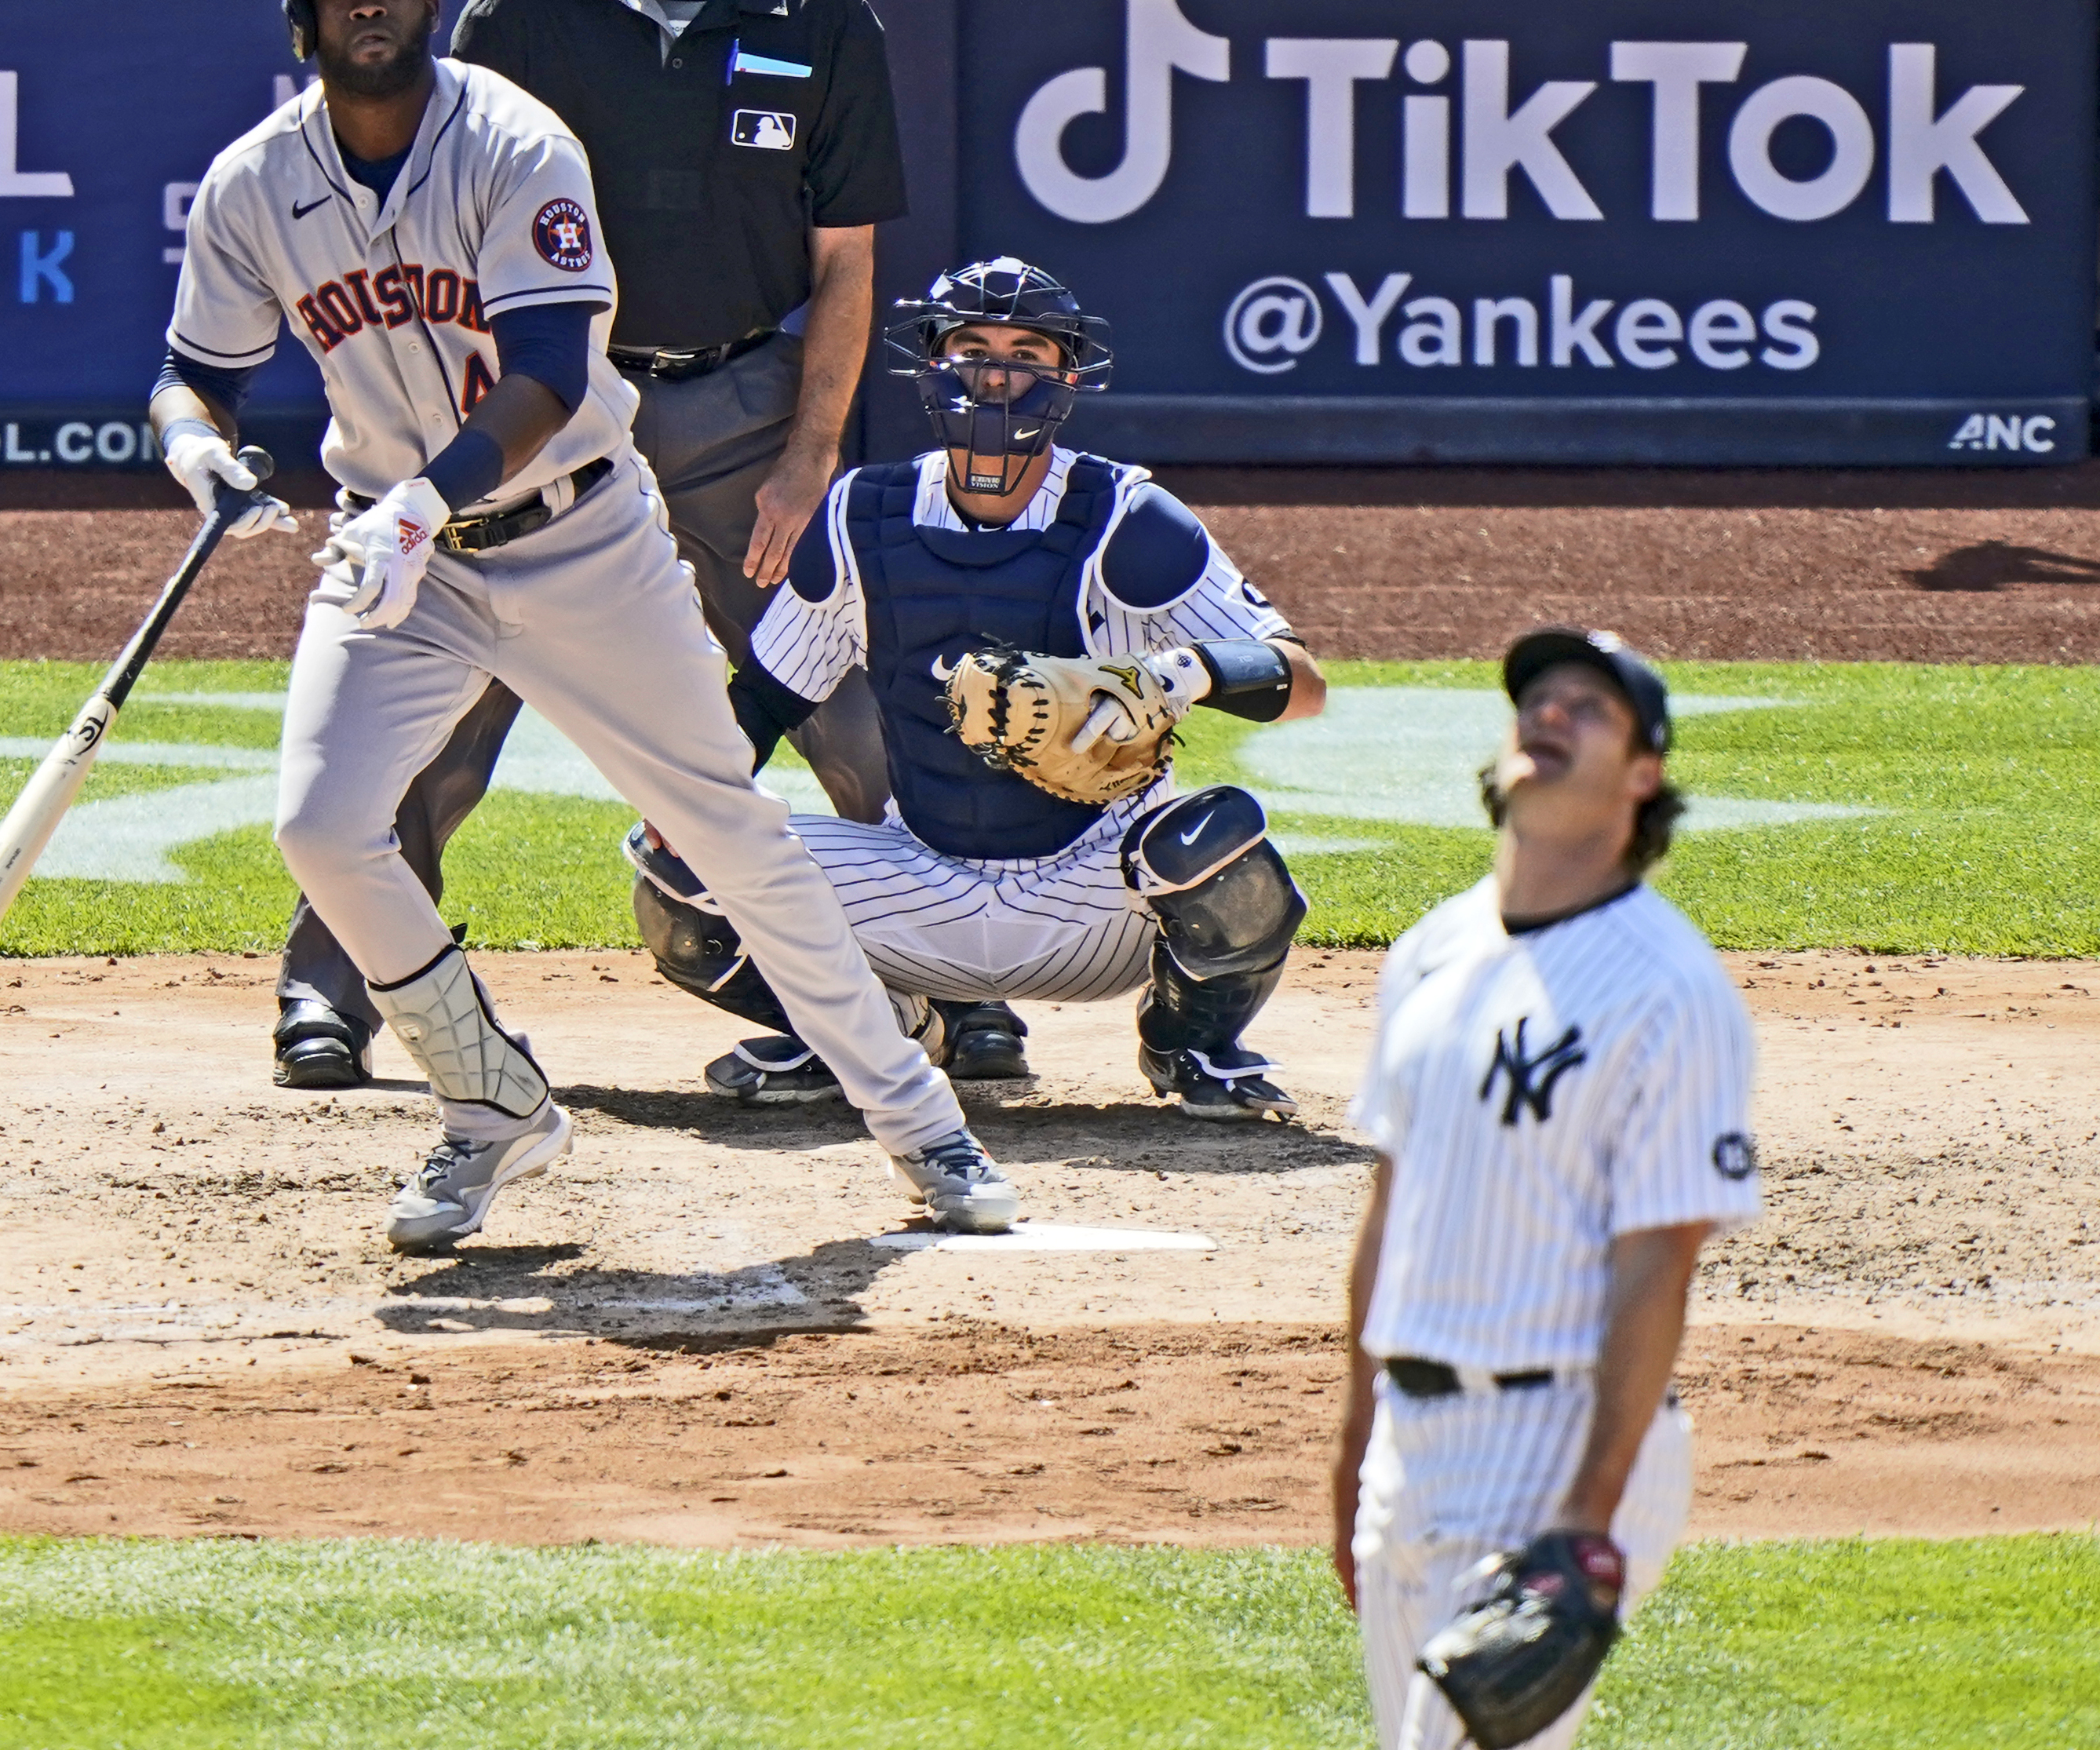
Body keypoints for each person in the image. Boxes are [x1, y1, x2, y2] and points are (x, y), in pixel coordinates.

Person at [152, 0, 1018, 1241]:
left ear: (430, 2)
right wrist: (193, 448)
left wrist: (414, 507)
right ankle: (493, 1104)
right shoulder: (256, 180)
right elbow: (192, 375)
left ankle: (921, 1125)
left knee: (731, 828)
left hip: (577, 540)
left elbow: (550, 373)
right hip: (399, 560)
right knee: (321, 828)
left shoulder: (512, 141)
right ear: (302, 13)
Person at [266, 0, 913, 1092]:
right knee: (432, 714)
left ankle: (945, 985)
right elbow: (441, 211)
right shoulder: (522, 4)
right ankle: (331, 989)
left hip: (742, 402)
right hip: (545, 413)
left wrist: (808, 457)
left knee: (850, 710)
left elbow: (847, 259)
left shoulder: (819, 10)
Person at [625, 256, 1329, 1119]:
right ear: (932, 364)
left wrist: (1179, 673)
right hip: (916, 873)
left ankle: (1187, 1042)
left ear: (1066, 375)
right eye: (971, 348)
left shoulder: (1125, 516)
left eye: (1025, 352)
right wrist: (690, 793)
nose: (995, 375)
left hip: (1091, 892)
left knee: (1223, 847)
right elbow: (768, 697)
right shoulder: (859, 515)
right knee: (673, 863)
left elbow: (1301, 682)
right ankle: (868, 1033)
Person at [1328, 629, 1763, 1749]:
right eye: (1539, 699)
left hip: (1556, 1436)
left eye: (1589, 709)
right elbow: (1392, 1208)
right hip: (1409, 1447)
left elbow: (1659, 1258)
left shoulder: (1669, 987)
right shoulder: (1431, 950)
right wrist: (1353, 1440)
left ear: (1641, 777)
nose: (1550, 715)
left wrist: (1590, 1510)